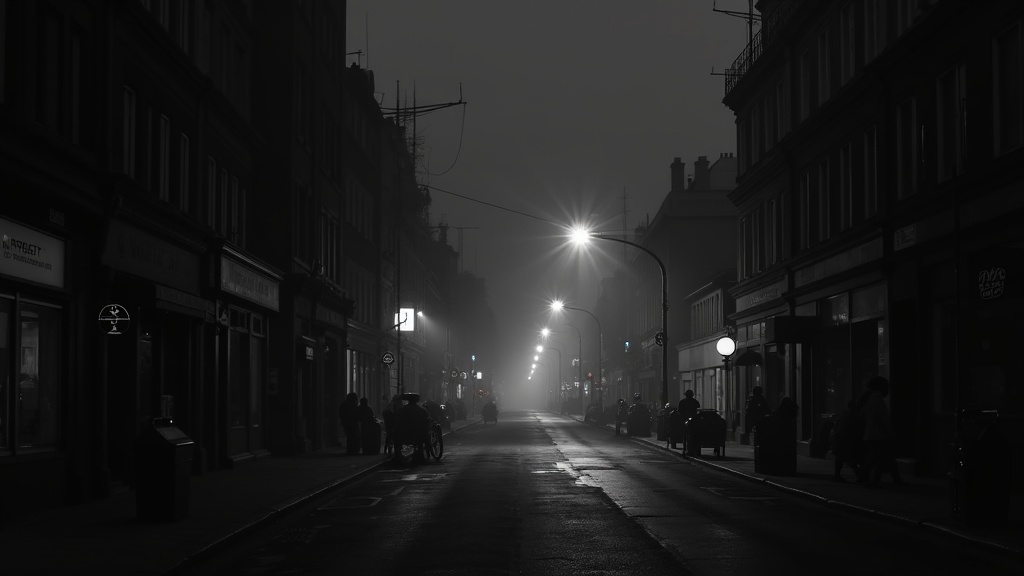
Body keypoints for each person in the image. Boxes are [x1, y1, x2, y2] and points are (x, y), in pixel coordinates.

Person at [859, 376, 902, 485]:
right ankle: (867, 477)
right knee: (881, 458)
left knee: (878, 458)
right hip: (879, 434)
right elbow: (882, 417)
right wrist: (890, 430)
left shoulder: (869, 398)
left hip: (872, 434)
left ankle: (873, 478)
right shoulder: (876, 398)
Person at [394, 393, 430, 464]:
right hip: (418, 435)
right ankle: (422, 455)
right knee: (426, 436)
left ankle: (398, 457)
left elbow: (397, 422)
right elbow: (427, 422)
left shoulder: (401, 411)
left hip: (403, 434)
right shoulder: (422, 411)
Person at [831, 400, 862, 482]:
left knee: (841, 458)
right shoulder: (853, 415)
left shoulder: (843, 414)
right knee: (851, 459)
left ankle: (837, 475)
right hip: (845, 439)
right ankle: (859, 475)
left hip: (839, 439)